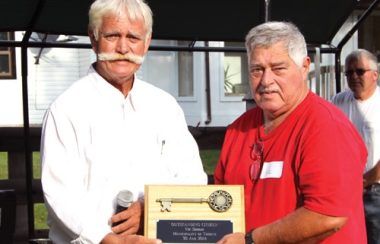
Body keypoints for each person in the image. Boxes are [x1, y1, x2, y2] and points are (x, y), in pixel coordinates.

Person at [40, 0, 207, 243]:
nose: (123, 47)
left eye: (133, 37)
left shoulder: (164, 106)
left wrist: (148, 208)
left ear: (147, 43)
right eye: (112, 35)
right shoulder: (66, 109)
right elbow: (61, 194)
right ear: (93, 38)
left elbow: (192, 179)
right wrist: (106, 238)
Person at [214, 21, 367, 243]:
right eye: (257, 70)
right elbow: (219, 202)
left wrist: (252, 240)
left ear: (305, 67)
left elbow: (327, 216)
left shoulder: (325, 127)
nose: (266, 81)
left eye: (278, 69)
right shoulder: (239, 130)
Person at [332, 49, 380, 244]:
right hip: (345, 191)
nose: (354, 76)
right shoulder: (338, 100)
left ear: (375, 74)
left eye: (360, 71)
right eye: (348, 73)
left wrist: (365, 181)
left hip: (375, 192)